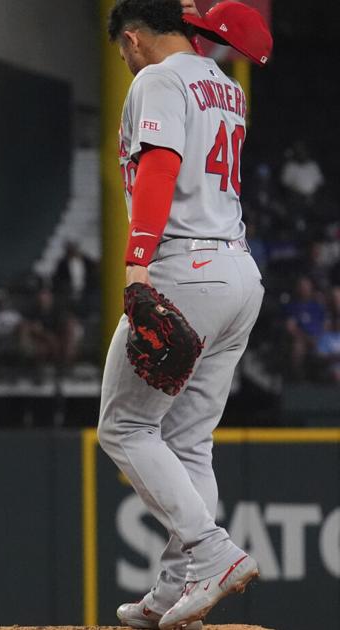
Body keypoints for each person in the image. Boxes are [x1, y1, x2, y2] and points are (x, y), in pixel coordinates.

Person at [99, 1, 270, 628]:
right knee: (189, 441)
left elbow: (160, 165)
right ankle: (178, 588)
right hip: (238, 271)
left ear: (134, 39)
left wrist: (137, 261)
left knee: (124, 428)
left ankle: (211, 551)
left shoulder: (158, 78)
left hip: (184, 267)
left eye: (124, 50)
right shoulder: (225, 84)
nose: (126, 59)